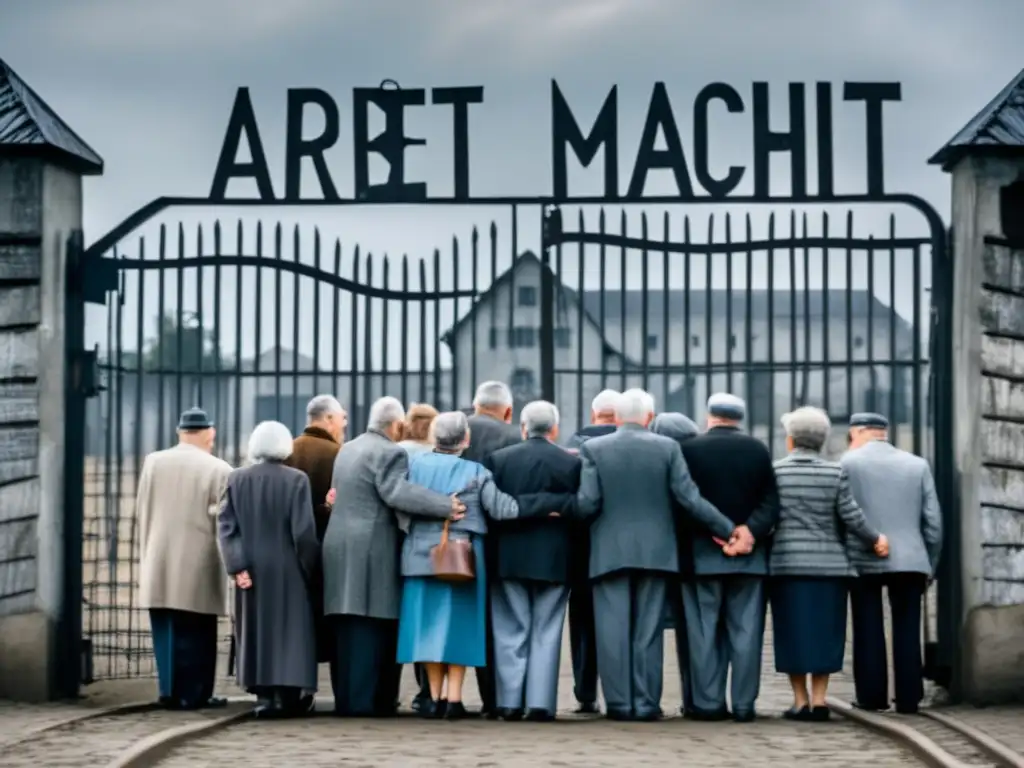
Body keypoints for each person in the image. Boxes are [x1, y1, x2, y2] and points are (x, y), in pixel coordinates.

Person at [574, 389, 753, 721]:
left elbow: (587, 503)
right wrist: (729, 529)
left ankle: (619, 704)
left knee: (612, 630)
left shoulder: (593, 449)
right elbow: (690, 499)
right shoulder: (668, 448)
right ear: (649, 417)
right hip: (658, 552)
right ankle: (645, 704)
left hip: (608, 551)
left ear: (615, 417)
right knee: (648, 633)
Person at [397, 411, 568, 720]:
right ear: (466, 439)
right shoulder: (476, 471)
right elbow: (504, 509)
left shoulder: (413, 466)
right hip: (463, 558)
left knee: (427, 628)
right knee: (460, 626)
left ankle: (433, 697)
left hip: (419, 556)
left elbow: (398, 502)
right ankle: (454, 699)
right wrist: (548, 504)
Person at [321, 396, 465, 717]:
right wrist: (445, 505)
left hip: (337, 545)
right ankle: (369, 702)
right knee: (372, 626)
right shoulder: (390, 452)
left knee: (346, 626)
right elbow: (396, 493)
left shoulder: (348, 448)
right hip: (371, 549)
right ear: (398, 426)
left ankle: (347, 699)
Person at [770, 406, 890, 722]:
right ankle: (821, 700)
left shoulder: (776, 472)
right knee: (826, 633)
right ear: (822, 440)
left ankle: (800, 701)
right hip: (830, 568)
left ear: (792, 440)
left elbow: (769, 518)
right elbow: (851, 516)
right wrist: (875, 538)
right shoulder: (834, 472)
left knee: (792, 633)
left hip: (788, 566)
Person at [677, 393, 779, 723]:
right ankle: (745, 704)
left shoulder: (689, 450)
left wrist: (717, 532)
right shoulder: (758, 450)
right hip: (750, 557)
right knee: (747, 634)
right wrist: (748, 532)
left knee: (704, 633)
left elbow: (684, 501)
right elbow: (771, 503)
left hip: (703, 555)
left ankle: (708, 704)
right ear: (740, 418)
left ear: (710, 416)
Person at [842, 412, 943, 715]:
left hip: (863, 557)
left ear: (857, 432)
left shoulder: (847, 463)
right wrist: (930, 563)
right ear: (883, 433)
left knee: (868, 626)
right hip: (911, 559)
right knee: (907, 628)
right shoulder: (917, 465)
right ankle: (909, 697)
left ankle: (871, 697)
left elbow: (842, 513)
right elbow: (933, 523)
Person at [486, 401, 581, 722]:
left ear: (523, 427)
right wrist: (551, 504)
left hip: (509, 557)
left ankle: (510, 702)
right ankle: (540, 703)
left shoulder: (499, 460)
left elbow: (491, 508)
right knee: (548, 630)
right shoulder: (570, 463)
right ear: (554, 429)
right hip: (555, 559)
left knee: (510, 629)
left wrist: (523, 506)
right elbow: (580, 506)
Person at [219, 421, 320, 718]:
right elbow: (303, 533)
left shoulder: (235, 479)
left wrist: (237, 566)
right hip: (288, 566)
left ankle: (263, 695)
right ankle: (287, 694)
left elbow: (226, 527)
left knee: (256, 629)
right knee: (290, 630)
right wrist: (310, 567)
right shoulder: (297, 480)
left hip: (250, 569)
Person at [137, 406, 232, 710]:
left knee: (165, 630)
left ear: (179, 432)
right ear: (209, 433)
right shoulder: (220, 469)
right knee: (198, 633)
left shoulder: (153, 462)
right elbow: (224, 522)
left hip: (158, 559)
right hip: (198, 563)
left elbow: (143, 510)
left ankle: (168, 690)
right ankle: (195, 693)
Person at [462, 381, 523, 717]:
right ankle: (493, 696)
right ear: (508, 410)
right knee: (497, 620)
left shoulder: (457, 429)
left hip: (455, 534)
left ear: (475, 404)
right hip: (500, 537)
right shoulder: (514, 437)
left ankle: (438, 694)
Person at [564, 388, 619, 714]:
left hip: (581, 550)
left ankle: (585, 693)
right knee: (621, 621)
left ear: (593, 412)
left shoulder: (573, 447)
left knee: (582, 624)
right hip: (621, 550)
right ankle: (619, 691)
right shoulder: (633, 444)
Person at [284, 395, 346, 668]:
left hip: (288, 549)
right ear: (329, 419)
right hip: (326, 548)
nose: (343, 426)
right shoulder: (337, 455)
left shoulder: (288, 450)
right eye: (342, 419)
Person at [649, 411, 700, 717]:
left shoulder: (655, 463)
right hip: (691, 562)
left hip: (656, 560)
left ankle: (648, 700)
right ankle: (694, 698)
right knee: (693, 634)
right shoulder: (697, 466)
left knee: (648, 632)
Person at [396, 401, 440, 712]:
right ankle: (428, 689)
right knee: (430, 620)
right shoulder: (435, 455)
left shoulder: (398, 452)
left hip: (398, 543)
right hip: (433, 547)